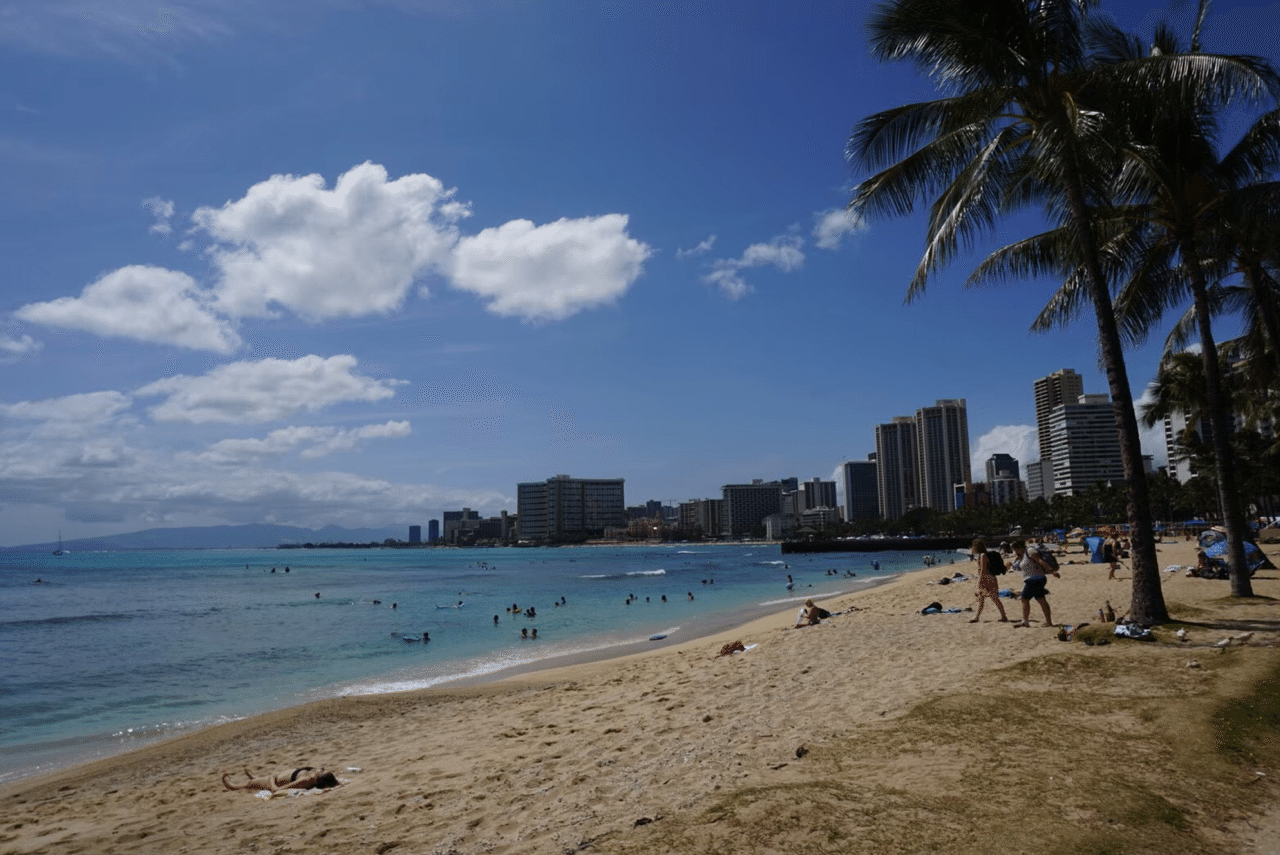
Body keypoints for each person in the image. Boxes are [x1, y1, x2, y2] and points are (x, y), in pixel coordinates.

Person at [1010, 538, 1059, 627]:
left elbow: (1040, 561)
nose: (1015, 551)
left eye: (1015, 549)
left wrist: (1052, 571)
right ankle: (1048, 622)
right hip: (1035, 579)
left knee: (1024, 599)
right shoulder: (1024, 554)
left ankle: (1025, 621)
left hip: (1034, 579)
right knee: (1041, 600)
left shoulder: (1030, 551)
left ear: (1018, 548)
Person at [968, 538, 1009, 623]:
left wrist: (980, 581)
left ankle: (1003, 616)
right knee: (984, 598)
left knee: (993, 598)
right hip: (990, 578)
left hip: (987, 578)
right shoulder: (982, 555)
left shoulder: (983, 555)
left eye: (973, 547)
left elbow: (983, 570)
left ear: (976, 547)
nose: (972, 548)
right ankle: (977, 617)